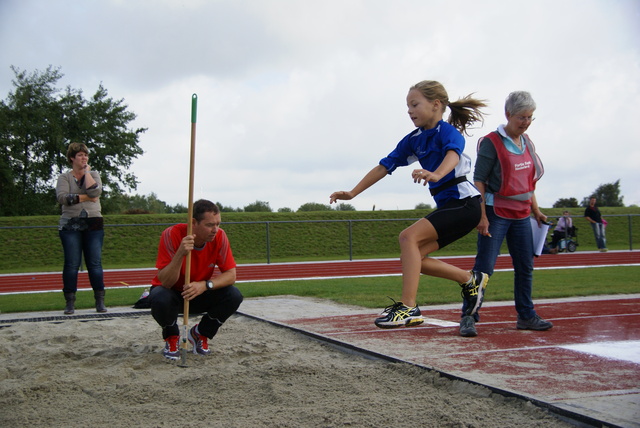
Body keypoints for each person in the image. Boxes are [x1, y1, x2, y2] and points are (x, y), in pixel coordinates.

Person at [330, 80, 489, 329]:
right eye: (407, 106)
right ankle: (470, 280)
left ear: (436, 105)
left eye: (414, 104)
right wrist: (352, 193)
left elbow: (453, 155)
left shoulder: (447, 133)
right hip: (451, 208)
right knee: (414, 257)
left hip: (465, 204)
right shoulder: (414, 139)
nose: (409, 111)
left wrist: (436, 174)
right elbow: (385, 165)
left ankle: (408, 308)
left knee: (408, 238)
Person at [461, 91, 552, 337]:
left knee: (525, 266)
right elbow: (478, 181)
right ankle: (468, 317)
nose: (525, 122)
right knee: (484, 268)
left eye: (530, 117)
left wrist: (536, 211)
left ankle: (526, 315)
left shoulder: (527, 142)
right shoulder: (491, 142)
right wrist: (482, 216)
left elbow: (529, 182)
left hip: (522, 215)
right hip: (496, 213)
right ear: (508, 114)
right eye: (521, 117)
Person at [149, 199, 243, 360]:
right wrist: (180, 253)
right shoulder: (171, 234)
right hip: (173, 294)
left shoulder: (220, 236)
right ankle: (171, 337)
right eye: (209, 225)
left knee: (233, 295)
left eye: (218, 224)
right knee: (159, 296)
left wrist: (205, 285)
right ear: (193, 223)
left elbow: (231, 275)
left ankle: (200, 334)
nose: (215, 229)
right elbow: (166, 282)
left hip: (199, 291)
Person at [55, 142, 107, 315]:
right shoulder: (64, 178)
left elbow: (95, 193)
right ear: (72, 158)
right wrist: (85, 197)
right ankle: (70, 302)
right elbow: (63, 198)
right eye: (80, 155)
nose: (84, 158)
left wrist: (86, 173)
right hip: (70, 223)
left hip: (93, 222)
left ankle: (99, 301)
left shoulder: (93, 174)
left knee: (94, 263)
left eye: (86, 155)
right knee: (71, 264)